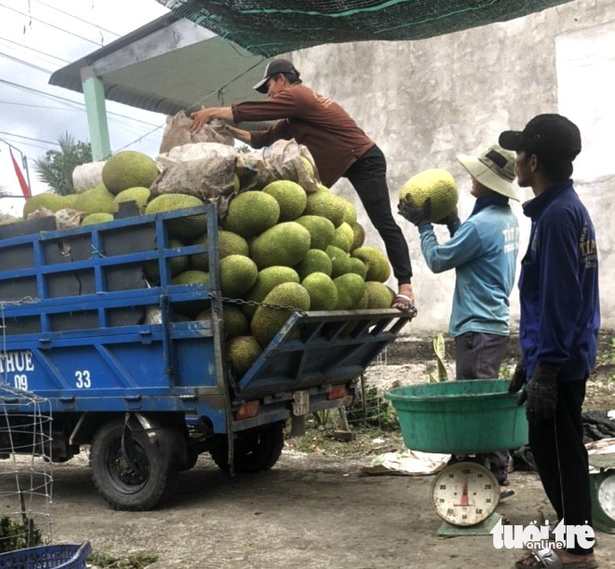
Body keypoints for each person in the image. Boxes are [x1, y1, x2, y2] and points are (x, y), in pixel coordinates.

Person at [190, 58, 415, 311]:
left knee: (383, 220)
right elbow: (262, 138)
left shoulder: (297, 96)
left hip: (363, 158)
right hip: (347, 161)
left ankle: (405, 287)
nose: (269, 95)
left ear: (281, 80)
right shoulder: (296, 114)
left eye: (269, 88)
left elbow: (253, 111)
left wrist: (211, 111)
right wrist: (228, 130)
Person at [500, 114, 599, 569]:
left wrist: (548, 366)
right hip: (557, 354)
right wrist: (531, 358)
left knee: (561, 455)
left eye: (519, 153)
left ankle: (577, 551)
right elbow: (553, 296)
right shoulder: (559, 210)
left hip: (561, 359)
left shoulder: (558, 216)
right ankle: (571, 538)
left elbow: (563, 299)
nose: (515, 161)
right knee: (554, 450)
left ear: (533, 161)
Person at [397, 143, 520, 496]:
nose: (470, 179)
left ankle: (496, 476)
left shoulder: (480, 225)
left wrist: (422, 225)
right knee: (482, 398)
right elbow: (474, 252)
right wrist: (453, 223)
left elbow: (437, 261)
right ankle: (489, 469)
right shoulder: (505, 219)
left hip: (476, 326)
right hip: (490, 321)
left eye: (476, 176)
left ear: (488, 184)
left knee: (479, 403)